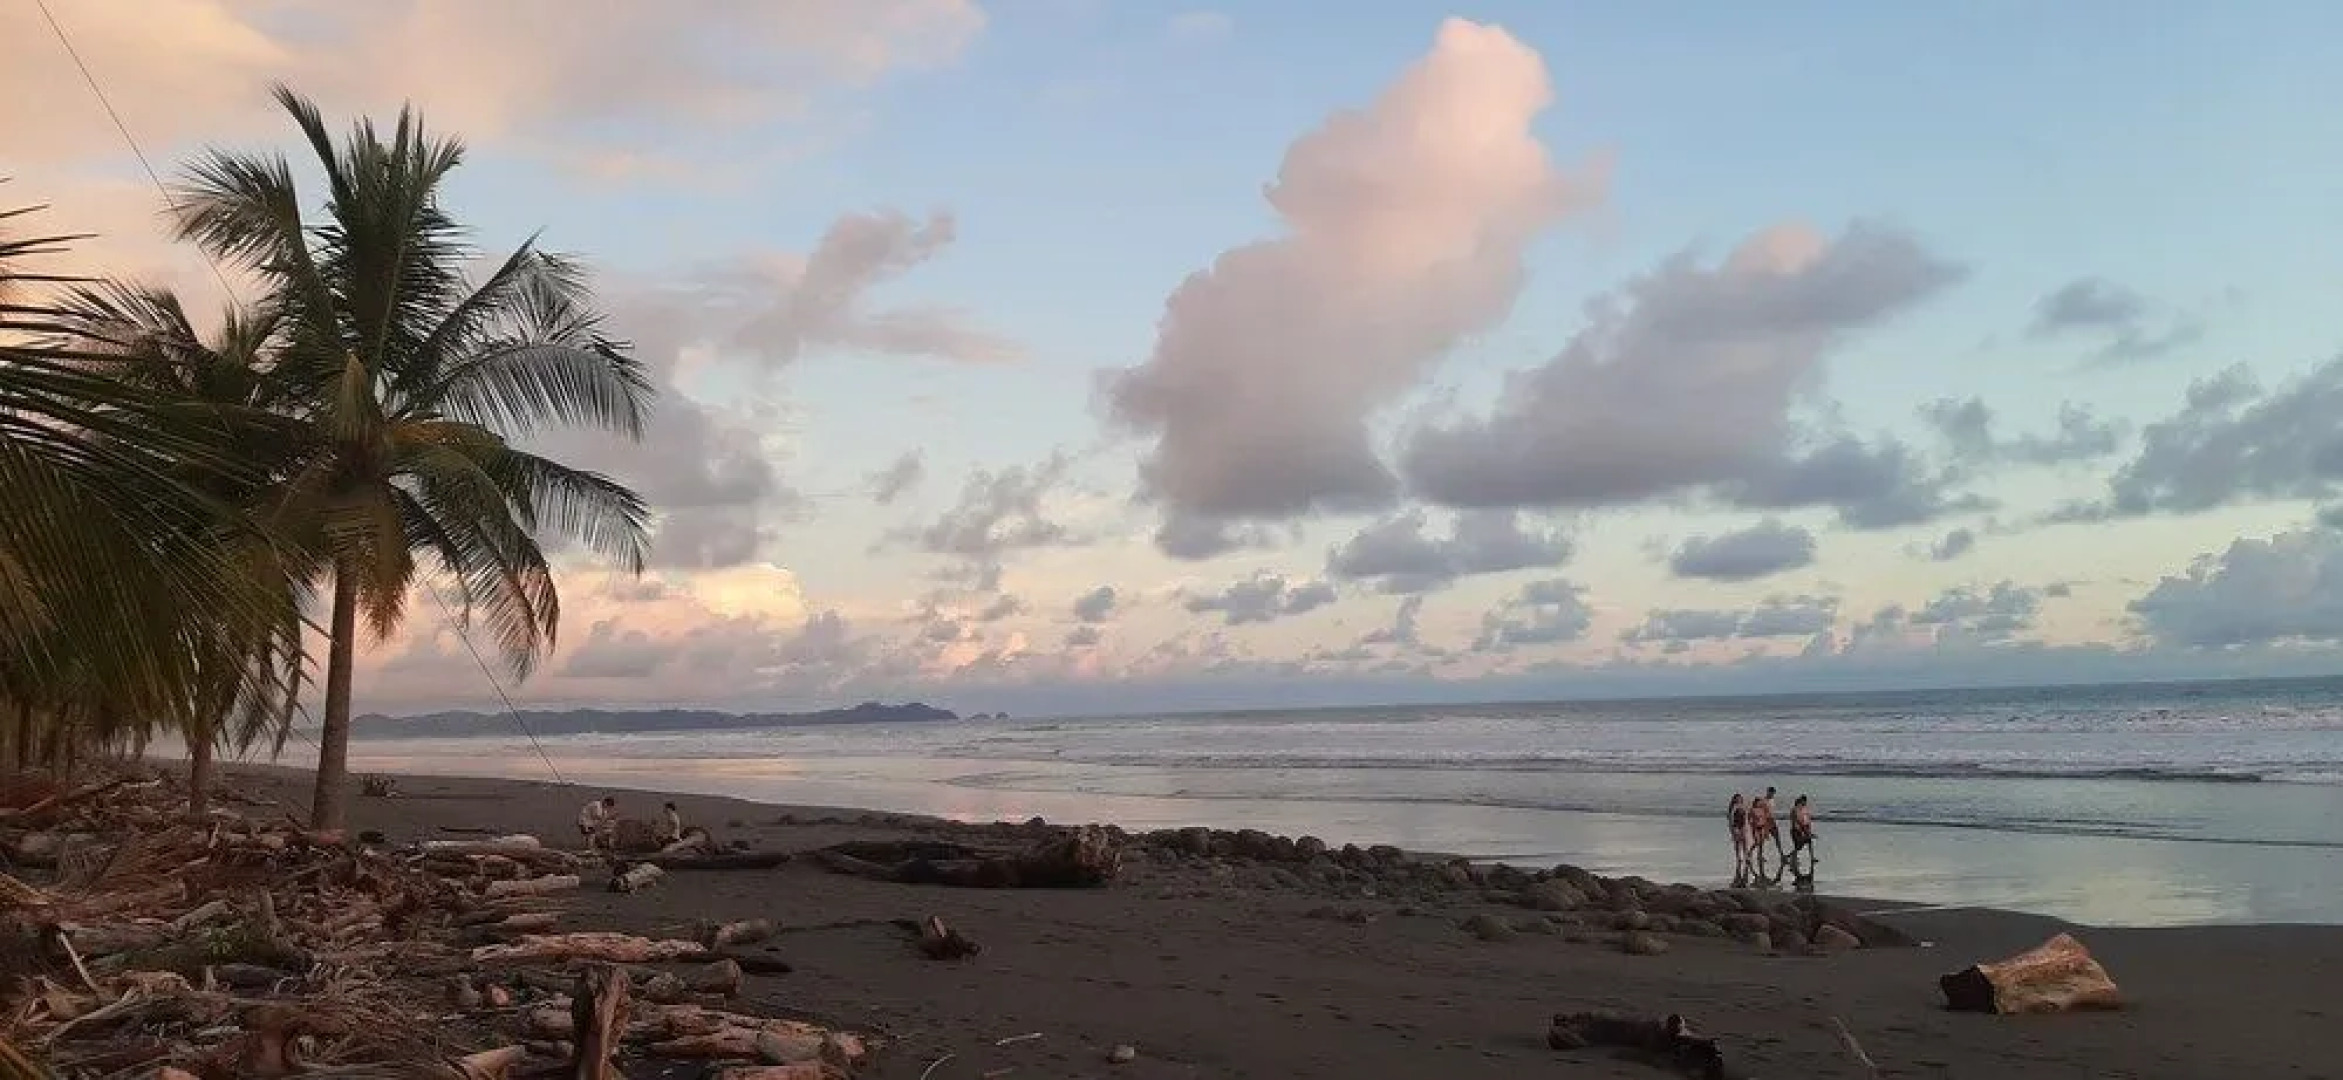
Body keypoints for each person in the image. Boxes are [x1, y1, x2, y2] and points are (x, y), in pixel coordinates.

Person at [1751, 787, 1784, 871]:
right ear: (1768, 792)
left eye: (1773, 793)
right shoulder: (1763, 801)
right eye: (1771, 793)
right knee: (1761, 841)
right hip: (1766, 822)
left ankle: (1781, 854)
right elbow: (1760, 812)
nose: (1772, 794)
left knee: (1777, 838)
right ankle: (1758, 855)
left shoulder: (1772, 800)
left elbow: (1771, 811)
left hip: (1772, 821)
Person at [1788, 794, 1817, 872]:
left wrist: (1809, 830)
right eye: (1804, 802)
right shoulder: (1795, 809)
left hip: (1803, 829)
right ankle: (1791, 858)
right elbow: (1797, 821)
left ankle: (1812, 857)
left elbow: (1807, 820)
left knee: (1808, 842)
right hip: (1796, 830)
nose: (1805, 803)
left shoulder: (1804, 809)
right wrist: (1805, 831)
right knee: (1798, 846)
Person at [1726, 793, 1751, 875]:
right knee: (1737, 843)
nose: (1739, 799)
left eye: (1740, 798)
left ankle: (1746, 856)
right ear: (1734, 799)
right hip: (1736, 826)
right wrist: (1732, 829)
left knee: (1745, 842)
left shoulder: (1743, 806)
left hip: (1743, 826)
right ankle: (1738, 857)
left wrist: (1747, 826)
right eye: (1737, 798)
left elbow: (1746, 817)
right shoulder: (1733, 807)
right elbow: (1730, 818)